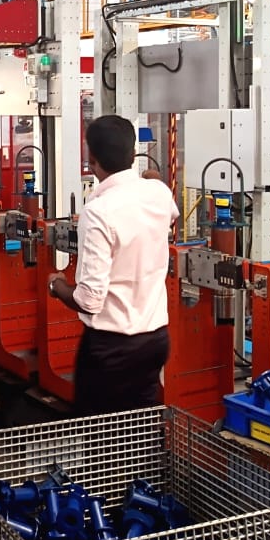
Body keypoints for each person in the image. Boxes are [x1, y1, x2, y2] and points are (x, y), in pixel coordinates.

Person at [47, 115, 180, 415]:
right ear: (133, 154)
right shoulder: (158, 193)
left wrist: (56, 285)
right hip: (155, 340)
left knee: (100, 432)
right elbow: (171, 213)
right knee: (141, 426)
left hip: (112, 348)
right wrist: (152, 179)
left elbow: (89, 300)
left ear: (91, 160)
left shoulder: (98, 211)